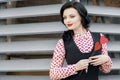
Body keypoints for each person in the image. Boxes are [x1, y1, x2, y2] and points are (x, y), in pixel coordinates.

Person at [49, 1, 112, 80]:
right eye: (65, 17)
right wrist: (75, 67)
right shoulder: (62, 43)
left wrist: (106, 59)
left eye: (72, 16)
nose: (67, 21)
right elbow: (53, 74)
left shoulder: (100, 37)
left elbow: (106, 70)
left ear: (81, 16)